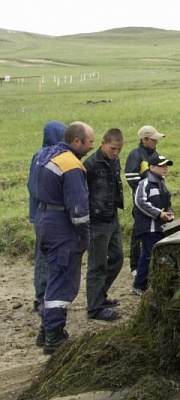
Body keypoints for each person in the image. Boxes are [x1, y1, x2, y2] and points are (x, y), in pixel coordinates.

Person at [34, 121, 94, 354]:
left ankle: (45, 329)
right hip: (62, 227)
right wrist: (84, 236)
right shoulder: (71, 165)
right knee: (63, 281)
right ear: (76, 141)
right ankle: (54, 336)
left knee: (52, 278)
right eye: (89, 142)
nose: (92, 146)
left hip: (44, 219)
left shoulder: (46, 155)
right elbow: (78, 209)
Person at [84, 128, 125, 321]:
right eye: (113, 148)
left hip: (112, 217)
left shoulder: (115, 161)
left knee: (117, 258)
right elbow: (83, 193)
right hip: (97, 220)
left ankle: (100, 295)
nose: (116, 152)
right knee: (97, 265)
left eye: (119, 149)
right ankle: (94, 308)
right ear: (103, 143)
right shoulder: (91, 164)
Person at [27, 120, 67, 313]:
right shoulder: (42, 156)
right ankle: (41, 296)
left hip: (41, 213)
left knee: (48, 255)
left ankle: (48, 294)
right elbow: (35, 187)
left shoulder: (47, 154)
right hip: (43, 214)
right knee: (43, 256)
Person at [124, 126, 165, 278]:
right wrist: (145, 188)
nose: (156, 142)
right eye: (154, 139)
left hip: (155, 199)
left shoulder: (154, 154)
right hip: (141, 200)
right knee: (138, 232)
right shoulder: (135, 154)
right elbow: (131, 177)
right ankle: (135, 266)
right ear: (144, 139)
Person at [132, 153, 174, 296]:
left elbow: (166, 203)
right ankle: (140, 285)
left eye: (166, 166)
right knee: (149, 256)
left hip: (158, 226)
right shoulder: (145, 183)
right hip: (148, 227)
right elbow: (140, 202)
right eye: (162, 166)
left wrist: (169, 213)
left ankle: (144, 284)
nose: (165, 169)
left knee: (150, 255)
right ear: (151, 167)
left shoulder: (161, 182)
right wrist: (158, 213)